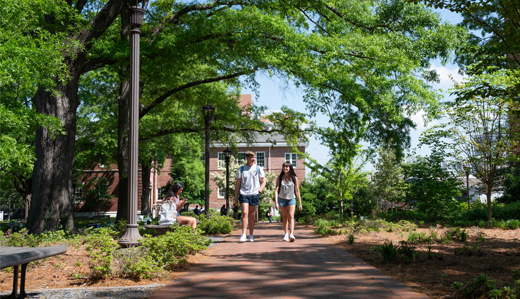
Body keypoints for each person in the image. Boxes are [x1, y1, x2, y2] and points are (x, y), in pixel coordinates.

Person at [234, 151, 266, 242]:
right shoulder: (241, 169)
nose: (254, 159)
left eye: (254, 157)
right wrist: (236, 199)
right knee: (244, 212)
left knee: (251, 214)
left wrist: (259, 190)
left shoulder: (258, 168)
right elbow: (237, 185)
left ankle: (251, 235)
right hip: (244, 193)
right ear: (247, 158)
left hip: (254, 193)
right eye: (252, 157)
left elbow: (264, 181)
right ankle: (243, 234)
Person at [274, 162, 302, 242]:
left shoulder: (294, 178)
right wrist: (276, 202)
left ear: (290, 168)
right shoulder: (279, 178)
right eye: (284, 167)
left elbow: (297, 191)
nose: (285, 168)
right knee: (285, 217)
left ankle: (291, 234)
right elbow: (276, 190)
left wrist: (300, 203)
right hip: (282, 199)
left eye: (287, 167)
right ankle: (286, 234)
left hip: (291, 199)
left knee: (291, 215)